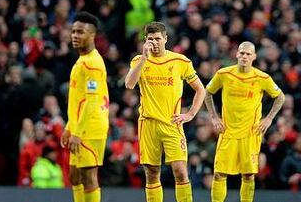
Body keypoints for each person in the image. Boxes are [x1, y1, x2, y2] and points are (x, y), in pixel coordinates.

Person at [125, 21, 206, 202]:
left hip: (172, 123)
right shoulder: (138, 61)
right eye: (151, 39)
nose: (154, 42)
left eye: (158, 39)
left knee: (180, 170)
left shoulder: (181, 62)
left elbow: (201, 89)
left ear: (166, 39)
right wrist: (144, 58)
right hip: (148, 123)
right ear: (145, 40)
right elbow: (129, 84)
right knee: (152, 173)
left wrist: (190, 114)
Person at [204, 41, 285, 202]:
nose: (244, 56)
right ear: (236, 54)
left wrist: (268, 119)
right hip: (228, 131)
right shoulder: (224, 74)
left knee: (248, 175)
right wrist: (214, 117)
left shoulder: (262, 77)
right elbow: (208, 92)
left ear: (254, 56)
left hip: (250, 133)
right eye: (241, 53)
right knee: (219, 173)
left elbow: (280, 97)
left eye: (248, 54)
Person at [61, 12, 109, 202]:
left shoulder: (93, 64)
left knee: (89, 177)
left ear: (92, 35)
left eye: (80, 32)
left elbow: (92, 101)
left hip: (90, 129)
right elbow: (78, 101)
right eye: (73, 31)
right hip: (79, 126)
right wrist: (69, 127)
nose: (75, 36)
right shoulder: (82, 61)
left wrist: (78, 132)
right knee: (74, 176)